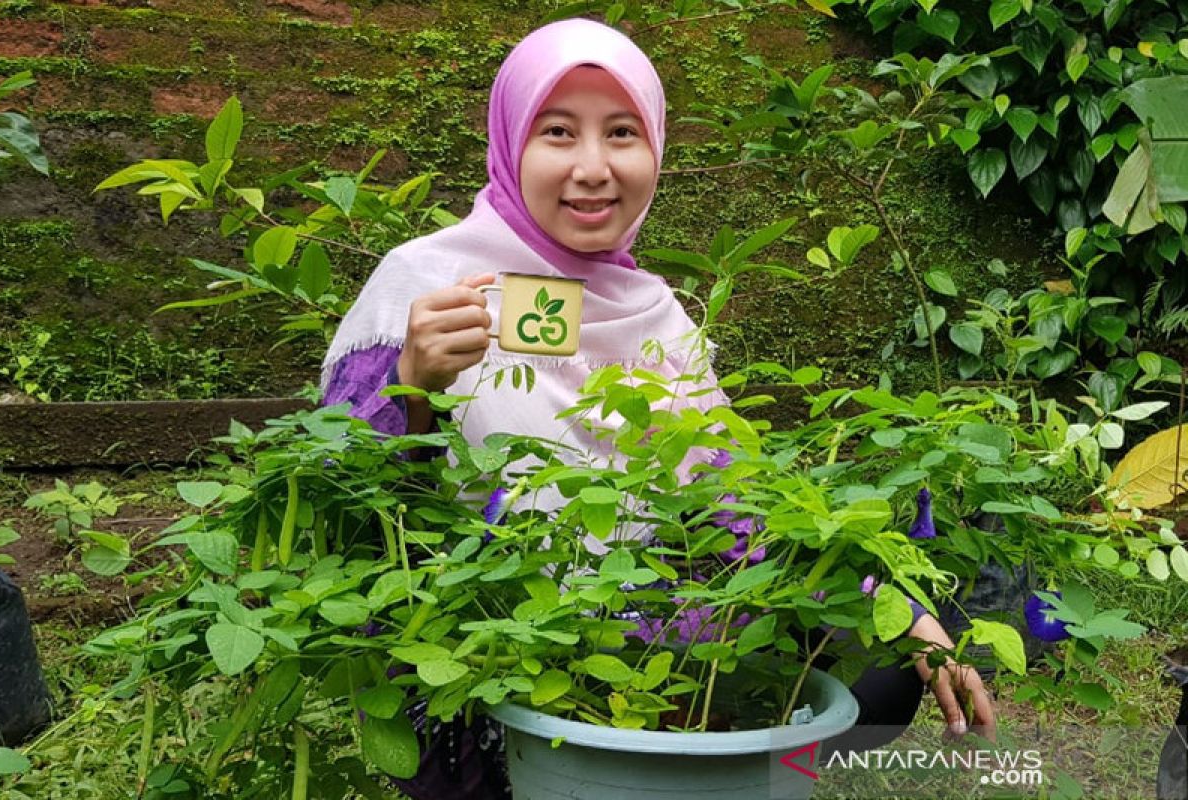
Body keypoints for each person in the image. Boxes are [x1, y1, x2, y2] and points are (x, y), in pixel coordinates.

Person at [320, 18, 995, 799]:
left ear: (658, 149)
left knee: (885, 671)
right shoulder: (426, 286)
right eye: (558, 132)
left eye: (622, 133)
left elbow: (735, 503)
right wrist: (412, 383)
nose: (593, 168)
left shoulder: (658, 314)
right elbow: (345, 509)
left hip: (660, 655)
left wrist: (904, 611)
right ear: (510, 142)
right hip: (490, 667)